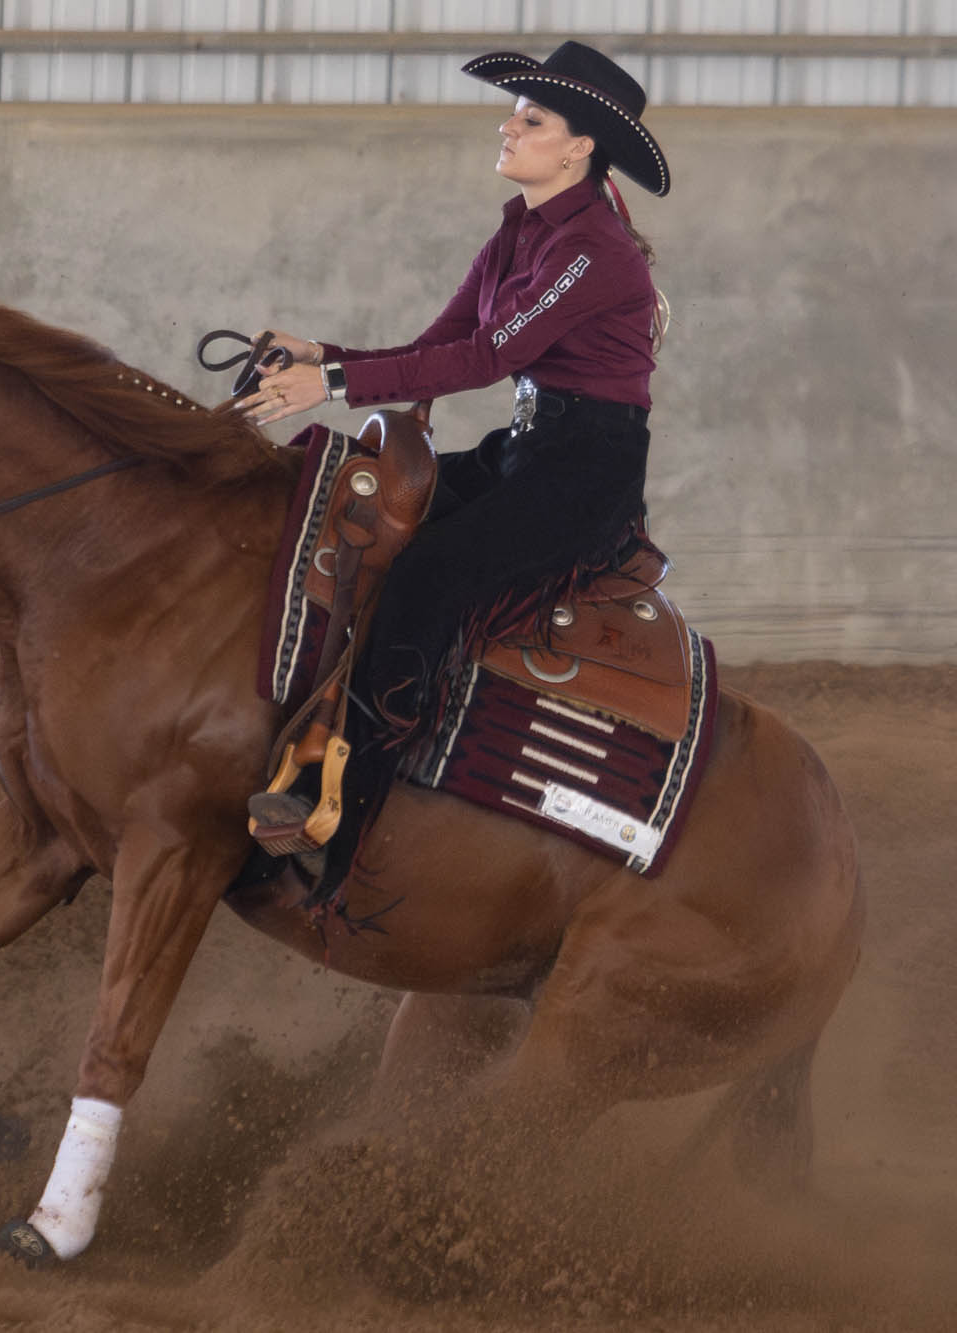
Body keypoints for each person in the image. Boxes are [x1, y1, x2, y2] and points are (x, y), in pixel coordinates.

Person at [236, 41, 672, 902]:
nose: (509, 125)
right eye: (515, 113)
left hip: (586, 475)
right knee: (368, 524)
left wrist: (326, 385)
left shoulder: (596, 251)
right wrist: (322, 353)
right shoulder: (517, 232)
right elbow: (438, 350)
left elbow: (488, 358)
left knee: (430, 574)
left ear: (579, 148)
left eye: (532, 119)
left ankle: (343, 817)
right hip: (529, 452)